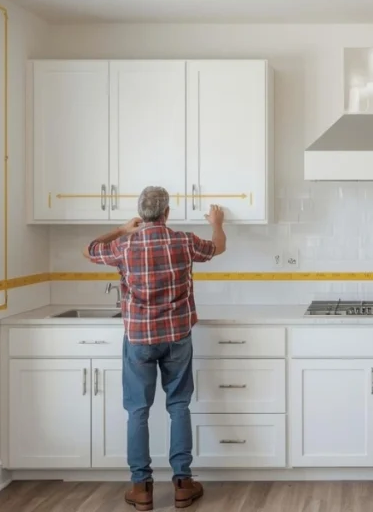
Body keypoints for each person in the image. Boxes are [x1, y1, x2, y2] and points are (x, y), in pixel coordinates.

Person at [85, 186, 227, 511]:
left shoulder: (125, 245)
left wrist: (122, 229)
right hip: (177, 335)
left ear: (142, 213)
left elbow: (90, 249)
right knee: (178, 406)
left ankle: (141, 488)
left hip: (139, 339)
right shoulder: (184, 241)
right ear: (166, 213)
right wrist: (217, 221)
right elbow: (218, 247)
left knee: (138, 410)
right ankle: (182, 484)